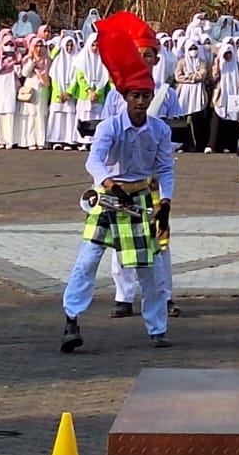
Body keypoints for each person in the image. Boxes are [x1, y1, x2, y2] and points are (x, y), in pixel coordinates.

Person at [60, 21, 175, 352]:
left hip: (139, 199)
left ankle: (157, 329)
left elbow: (165, 167)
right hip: (109, 199)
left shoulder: (159, 130)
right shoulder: (110, 126)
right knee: (86, 261)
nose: (140, 102)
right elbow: (93, 161)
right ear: (125, 97)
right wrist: (109, 183)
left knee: (150, 269)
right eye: (135, 96)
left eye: (146, 96)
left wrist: (165, 202)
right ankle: (71, 320)